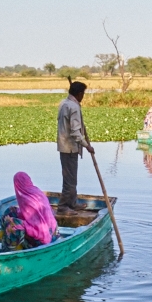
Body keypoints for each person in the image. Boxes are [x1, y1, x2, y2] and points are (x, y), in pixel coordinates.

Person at [56, 80, 94, 209]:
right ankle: (63, 207)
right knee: (70, 180)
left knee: (71, 178)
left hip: (64, 147)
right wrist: (86, 145)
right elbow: (75, 132)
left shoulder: (64, 103)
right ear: (79, 93)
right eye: (83, 93)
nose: (83, 96)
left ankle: (72, 203)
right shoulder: (73, 107)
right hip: (70, 148)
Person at [0, 171, 58, 250]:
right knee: (10, 211)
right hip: (53, 233)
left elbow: (36, 225)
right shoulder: (36, 191)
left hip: (41, 240)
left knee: (12, 223)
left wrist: (14, 222)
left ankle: (9, 249)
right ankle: (6, 235)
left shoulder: (26, 199)